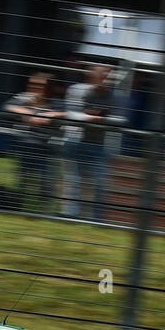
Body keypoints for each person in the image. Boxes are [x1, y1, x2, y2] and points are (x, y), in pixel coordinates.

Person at [62, 62, 125, 222]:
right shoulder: (76, 90)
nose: (105, 79)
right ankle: (70, 216)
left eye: (108, 75)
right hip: (75, 141)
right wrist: (91, 117)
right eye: (101, 75)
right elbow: (70, 113)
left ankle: (97, 219)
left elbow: (121, 119)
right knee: (73, 180)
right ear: (92, 75)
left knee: (100, 182)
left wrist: (102, 118)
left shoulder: (116, 96)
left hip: (100, 144)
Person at [3, 73, 63, 210]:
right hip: (26, 146)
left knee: (46, 185)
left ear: (49, 88)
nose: (34, 88)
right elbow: (7, 106)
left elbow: (66, 113)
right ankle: (19, 208)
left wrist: (49, 114)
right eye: (32, 84)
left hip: (48, 150)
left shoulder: (56, 102)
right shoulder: (23, 98)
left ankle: (43, 211)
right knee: (23, 182)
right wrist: (25, 112)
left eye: (39, 85)